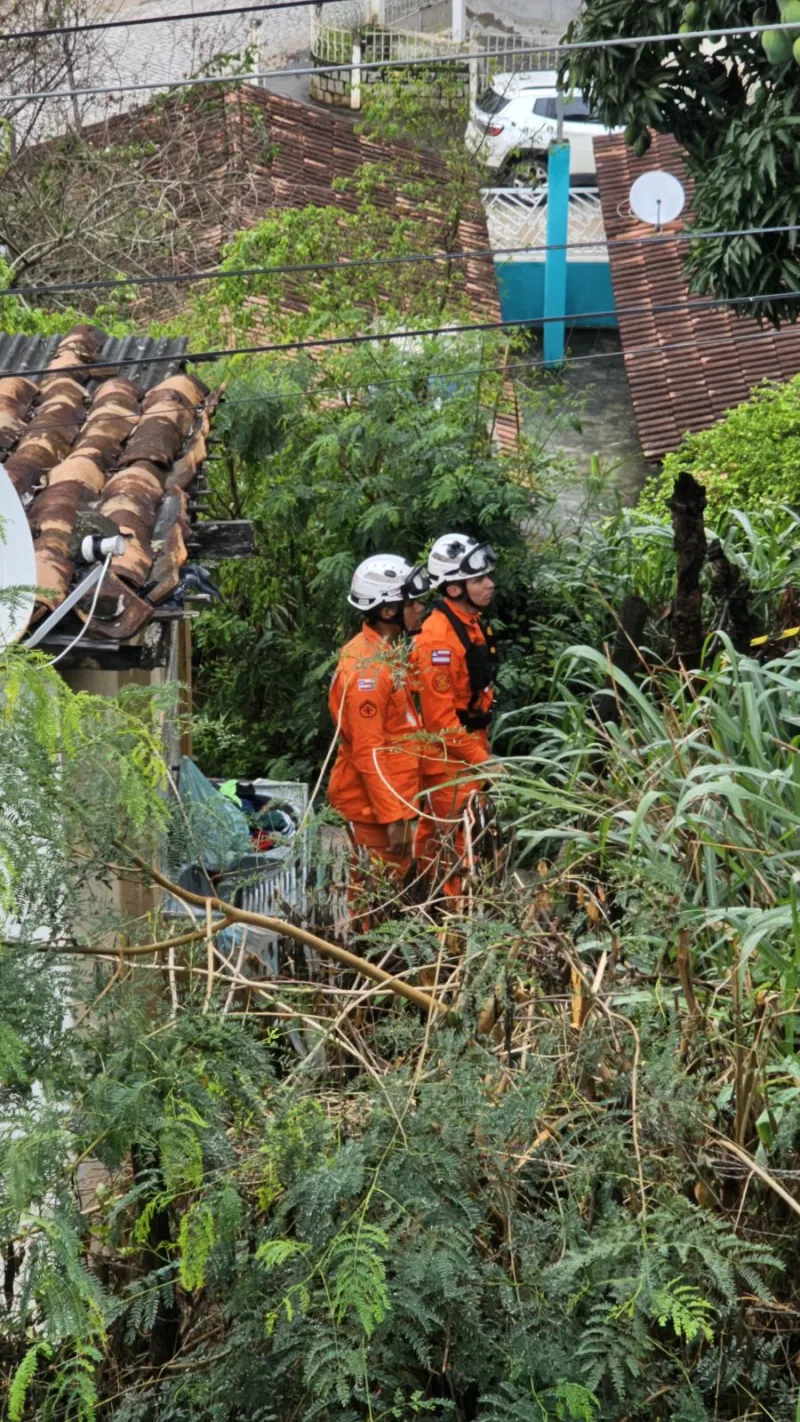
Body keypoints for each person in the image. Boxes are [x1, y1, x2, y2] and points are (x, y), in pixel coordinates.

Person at [328, 554, 430, 913]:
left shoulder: (384, 654)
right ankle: (368, 964)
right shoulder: (368, 673)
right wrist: (394, 818)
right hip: (376, 810)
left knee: (390, 892)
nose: (421, 608)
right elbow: (369, 751)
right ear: (388, 611)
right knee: (378, 899)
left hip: (394, 800)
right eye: (412, 602)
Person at [412, 534, 499, 899]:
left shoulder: (473, 623)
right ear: (452, 588)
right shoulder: (437, 640)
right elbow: (439, 722)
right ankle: (453, 918)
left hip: (469, 747)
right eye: (478, 580)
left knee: (450, 838)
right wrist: (484, 761)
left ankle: (427, 899)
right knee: (456, 844)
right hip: (448, 758)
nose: (489, 584)